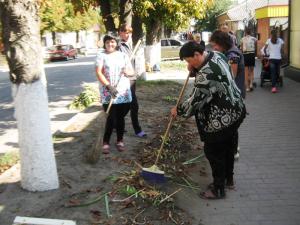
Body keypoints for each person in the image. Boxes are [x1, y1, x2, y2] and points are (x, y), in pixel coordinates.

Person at [171, 41, 246, 199]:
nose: (188, 64)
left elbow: (195, 101)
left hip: (221, 119)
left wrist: (178, 110)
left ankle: (218, 189)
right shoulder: (217, 55)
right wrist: (194, 69)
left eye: (189, 60)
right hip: (236, 109)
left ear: (197, 55)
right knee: (228, 147)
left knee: (214, 152)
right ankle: (228, 180)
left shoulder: (206, 74)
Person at [210, 30, 245, 160]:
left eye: (215, 45)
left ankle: (234, 150)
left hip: (234, 94)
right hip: (233, 93)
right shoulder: (229, 52)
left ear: (222, 43)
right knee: (231, 123)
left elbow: (232, 75)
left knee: (231, 124)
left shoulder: (233, 54)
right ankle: (233, 147)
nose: (214, 48)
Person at [95, 34, 134, 154]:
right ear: (104, 43)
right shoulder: (101, 55)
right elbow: (99, 73)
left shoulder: (123, 55)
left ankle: (120, 140)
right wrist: (109, 86)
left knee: (121, 118)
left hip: (123, 91)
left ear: (116, 43)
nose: (110, 44)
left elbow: (131, 71)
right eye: (107, 42)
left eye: (112, 42)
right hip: (108, 91)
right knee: (111, 118)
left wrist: (128, 72)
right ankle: (105, 142)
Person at [118, 24, 147, 138]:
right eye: (125, 32)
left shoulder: (130, 45)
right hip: (125, 79)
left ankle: (116, 122)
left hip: (132, 78)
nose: (127, 34)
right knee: (134, 105)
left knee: (126, 105)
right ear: (120, 33)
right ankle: (137, 130)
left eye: (129, 32)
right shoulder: (119, 46)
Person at [263, 29, 284, 93]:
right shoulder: (280, 40)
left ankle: (273, 87)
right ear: (277, 34)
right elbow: (282, 50)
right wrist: (281, 53)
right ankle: (277, 79)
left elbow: (264, 49)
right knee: (278, 72)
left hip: (271, 59)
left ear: (271, 34)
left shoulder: (268, 40)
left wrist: (266, 54)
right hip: (278, 59)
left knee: (273, 73)